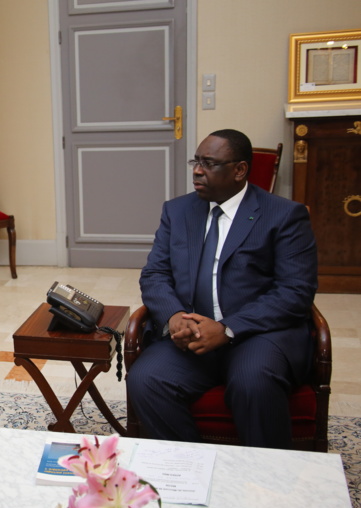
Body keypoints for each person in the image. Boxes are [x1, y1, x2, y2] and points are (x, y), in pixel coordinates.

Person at [126, 129, 318, 449]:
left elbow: (296, 291)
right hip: (192, 333)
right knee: (146, 380)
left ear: (240, 170)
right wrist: (174, 317)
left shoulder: (284, 215)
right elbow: (155, 274)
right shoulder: (177, 211)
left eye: (209, 163)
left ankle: (263, 481)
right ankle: (191, 472)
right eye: (196, 161)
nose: (197, 170)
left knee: (252, 382)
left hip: (258, 335)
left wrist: (228, 329)